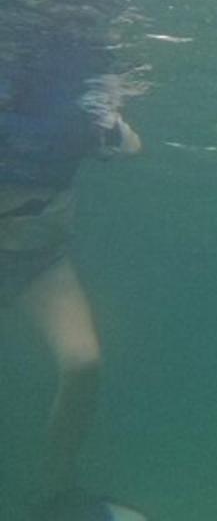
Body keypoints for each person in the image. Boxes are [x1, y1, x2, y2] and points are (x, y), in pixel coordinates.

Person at [1, 39, 143, 520]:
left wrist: (105, 118)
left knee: (83, 364)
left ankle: (55, 494)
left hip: (40, 263)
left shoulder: (87, 113)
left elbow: (130, 147)